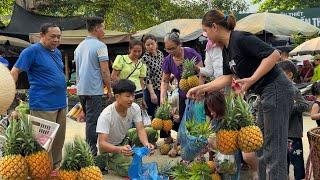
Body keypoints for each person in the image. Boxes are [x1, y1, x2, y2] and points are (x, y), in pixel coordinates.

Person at [187, 10, 294, 179]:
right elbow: (227, 78)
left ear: (214, 27)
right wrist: (201, 88)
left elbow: (274, 55)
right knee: (260, 146)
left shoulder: (240, 38)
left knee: (275, 149)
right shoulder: (226, 49)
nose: (205, 35)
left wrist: (251, 79)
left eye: (205, 31)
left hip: (277, 89)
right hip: (264, 94)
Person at [10, 23, 66, 169]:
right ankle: (43, 171)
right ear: (42, 35)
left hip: (61, 102)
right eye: (52, 36)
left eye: (58, 37)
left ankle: (55, 169)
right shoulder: (31, 51)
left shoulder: (57, 52)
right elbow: (15, 71)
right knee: (44, 143)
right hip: (43, 104)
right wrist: (10, 94)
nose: (56, 40)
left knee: (59, 141)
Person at [96, 79, 155, 176]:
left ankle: (129, 152)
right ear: (117, 97)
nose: (131, 99)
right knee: (131, 170)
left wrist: (146, 144)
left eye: (133, 95)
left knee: (151, 132)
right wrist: (119, 149)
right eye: (127, 96)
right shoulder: (106, 115)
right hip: (109, 149)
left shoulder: (134, 107)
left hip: (124, 140)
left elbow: (140, 129)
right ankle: (107, 161)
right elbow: (102, 143)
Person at [74, 17, 112, 155]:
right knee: (93, 122)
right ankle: (91, 153)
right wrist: (109, 89)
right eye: (103, 27)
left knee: (90, 121)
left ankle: (89, 150)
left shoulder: (79, 47)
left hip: (81, 90)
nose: (104, 31)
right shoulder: (101, 46)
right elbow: (105, 70)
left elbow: (78, 71)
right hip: (93, 90)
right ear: (96, 28)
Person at [160, 28, 203, 151]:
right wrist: (163, 97)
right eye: (167, 49)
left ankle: (201, 148)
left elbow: (202, 73)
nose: (170, 51)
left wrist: (199, 90)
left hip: (199, 92)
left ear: (180, 44)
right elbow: (164, 80)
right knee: (185, 121)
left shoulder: (190, 53)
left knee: (199, 121)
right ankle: (187, 148)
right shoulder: (168, 60)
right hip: (183, 94)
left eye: (173, 48)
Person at [278, 60, 309, 180]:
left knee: (297, 162)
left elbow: (304, 105)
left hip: (293, 134)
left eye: (280, 74)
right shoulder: (278, 90)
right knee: (282, 162)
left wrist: (288, 109)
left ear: (289, 75)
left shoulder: (293, 90)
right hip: (281, 133)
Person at [111, 39, 147, 108]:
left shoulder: (142, 65)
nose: (137, 53)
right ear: (130, 49)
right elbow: (113, 76)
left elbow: (141, 82)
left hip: (138, 94)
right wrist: (124, 87)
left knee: (135, 115)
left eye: (139, 51)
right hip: (123, 93)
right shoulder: (121, 59)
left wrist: (143, 99)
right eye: (134, 51)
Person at [141, 34, 164, 118]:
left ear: (156, 43)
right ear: (144, 46)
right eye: (148, 45)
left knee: (163, 113)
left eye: (152, 44)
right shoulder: (145, 58)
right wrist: (152, 93)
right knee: (154, 115)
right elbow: (146, 77)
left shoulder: (160, 54)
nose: (150, 46)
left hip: (162, 88)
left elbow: (163, 71)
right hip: (152, 89)